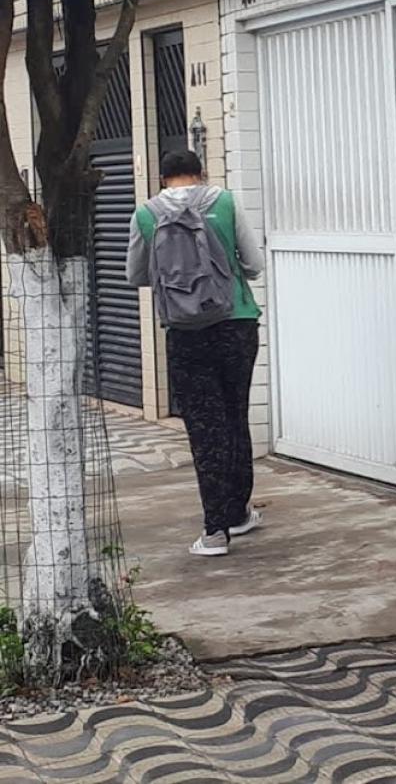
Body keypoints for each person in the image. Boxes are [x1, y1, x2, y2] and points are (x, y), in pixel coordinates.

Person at [126, 150, 266, 557]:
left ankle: (214, 532)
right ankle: (238, 513)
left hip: (186, 332)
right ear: (200, 174)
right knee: (234, 416)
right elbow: (254, 264)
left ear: (163, 177)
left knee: (205, 429)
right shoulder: (225, 201)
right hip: (236, 323)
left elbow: (135, 275)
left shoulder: (145, 214)